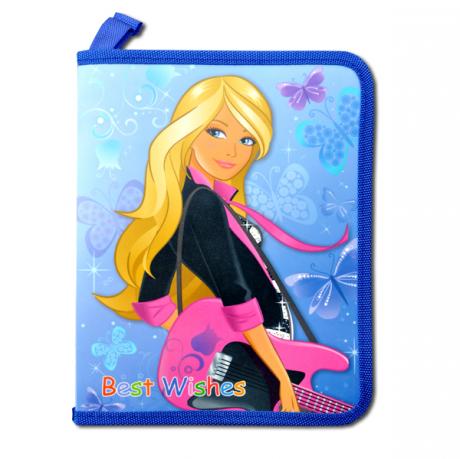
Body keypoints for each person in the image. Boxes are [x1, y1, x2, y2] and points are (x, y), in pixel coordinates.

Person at [96, 75, 346, 412]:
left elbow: (152, 301)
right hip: (266, 354)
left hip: (255, 353)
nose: (232, 151)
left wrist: (209, 346)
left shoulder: (183, 200)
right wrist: (277, 375)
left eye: (247, 139)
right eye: (215, 132)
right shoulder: (202, 202)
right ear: (187, 131)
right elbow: (236, 296)